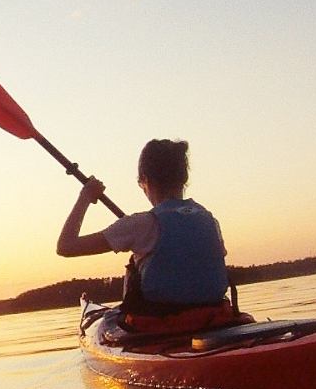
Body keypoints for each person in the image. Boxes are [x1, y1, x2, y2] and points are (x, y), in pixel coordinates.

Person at [56, 138, 239, 332]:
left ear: (145, 180)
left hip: (159, 325)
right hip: (214, 318)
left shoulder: (139, 223)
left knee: (111, 317)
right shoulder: (209, 219)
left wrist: (85, 197)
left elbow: (65, 246)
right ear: (183, 178)